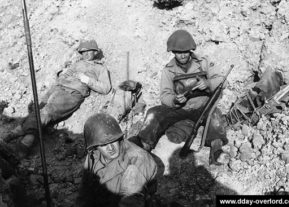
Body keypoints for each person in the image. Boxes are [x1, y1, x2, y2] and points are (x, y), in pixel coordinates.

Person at [134, 29, 229, 164]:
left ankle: (216, 150)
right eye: (178, 52)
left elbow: (223, 80)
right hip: (179, 109)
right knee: (153, 113)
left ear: (191, 50)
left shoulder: (203, 62)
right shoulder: (168, 70)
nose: (182, 55)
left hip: (202, 107)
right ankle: (144, 147)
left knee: (215, 116)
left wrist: (208, 83)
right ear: (173, 52)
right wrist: (174, 100)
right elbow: (165, 95)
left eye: (185, 51)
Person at [14, 40, 112, 158]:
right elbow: (64, 74)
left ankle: (24, 144)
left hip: (72, 93)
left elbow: (105, 88)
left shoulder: (100, 69)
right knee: (39, 108)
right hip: (58, 87)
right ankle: (12, 135)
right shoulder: (77, 64)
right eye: (83, 52)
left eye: (88, 51)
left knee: (47, 111)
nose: (85, 54)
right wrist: (63, 74)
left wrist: (87, 80)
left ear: (95, 52)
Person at [75, 113, 157, 207]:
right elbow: (85, 192)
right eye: (103, 145)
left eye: (113, 141)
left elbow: (131, 202)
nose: (110, 148)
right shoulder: (94, 156)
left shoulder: (137, 161)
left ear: (119, 138)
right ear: (95, 147)